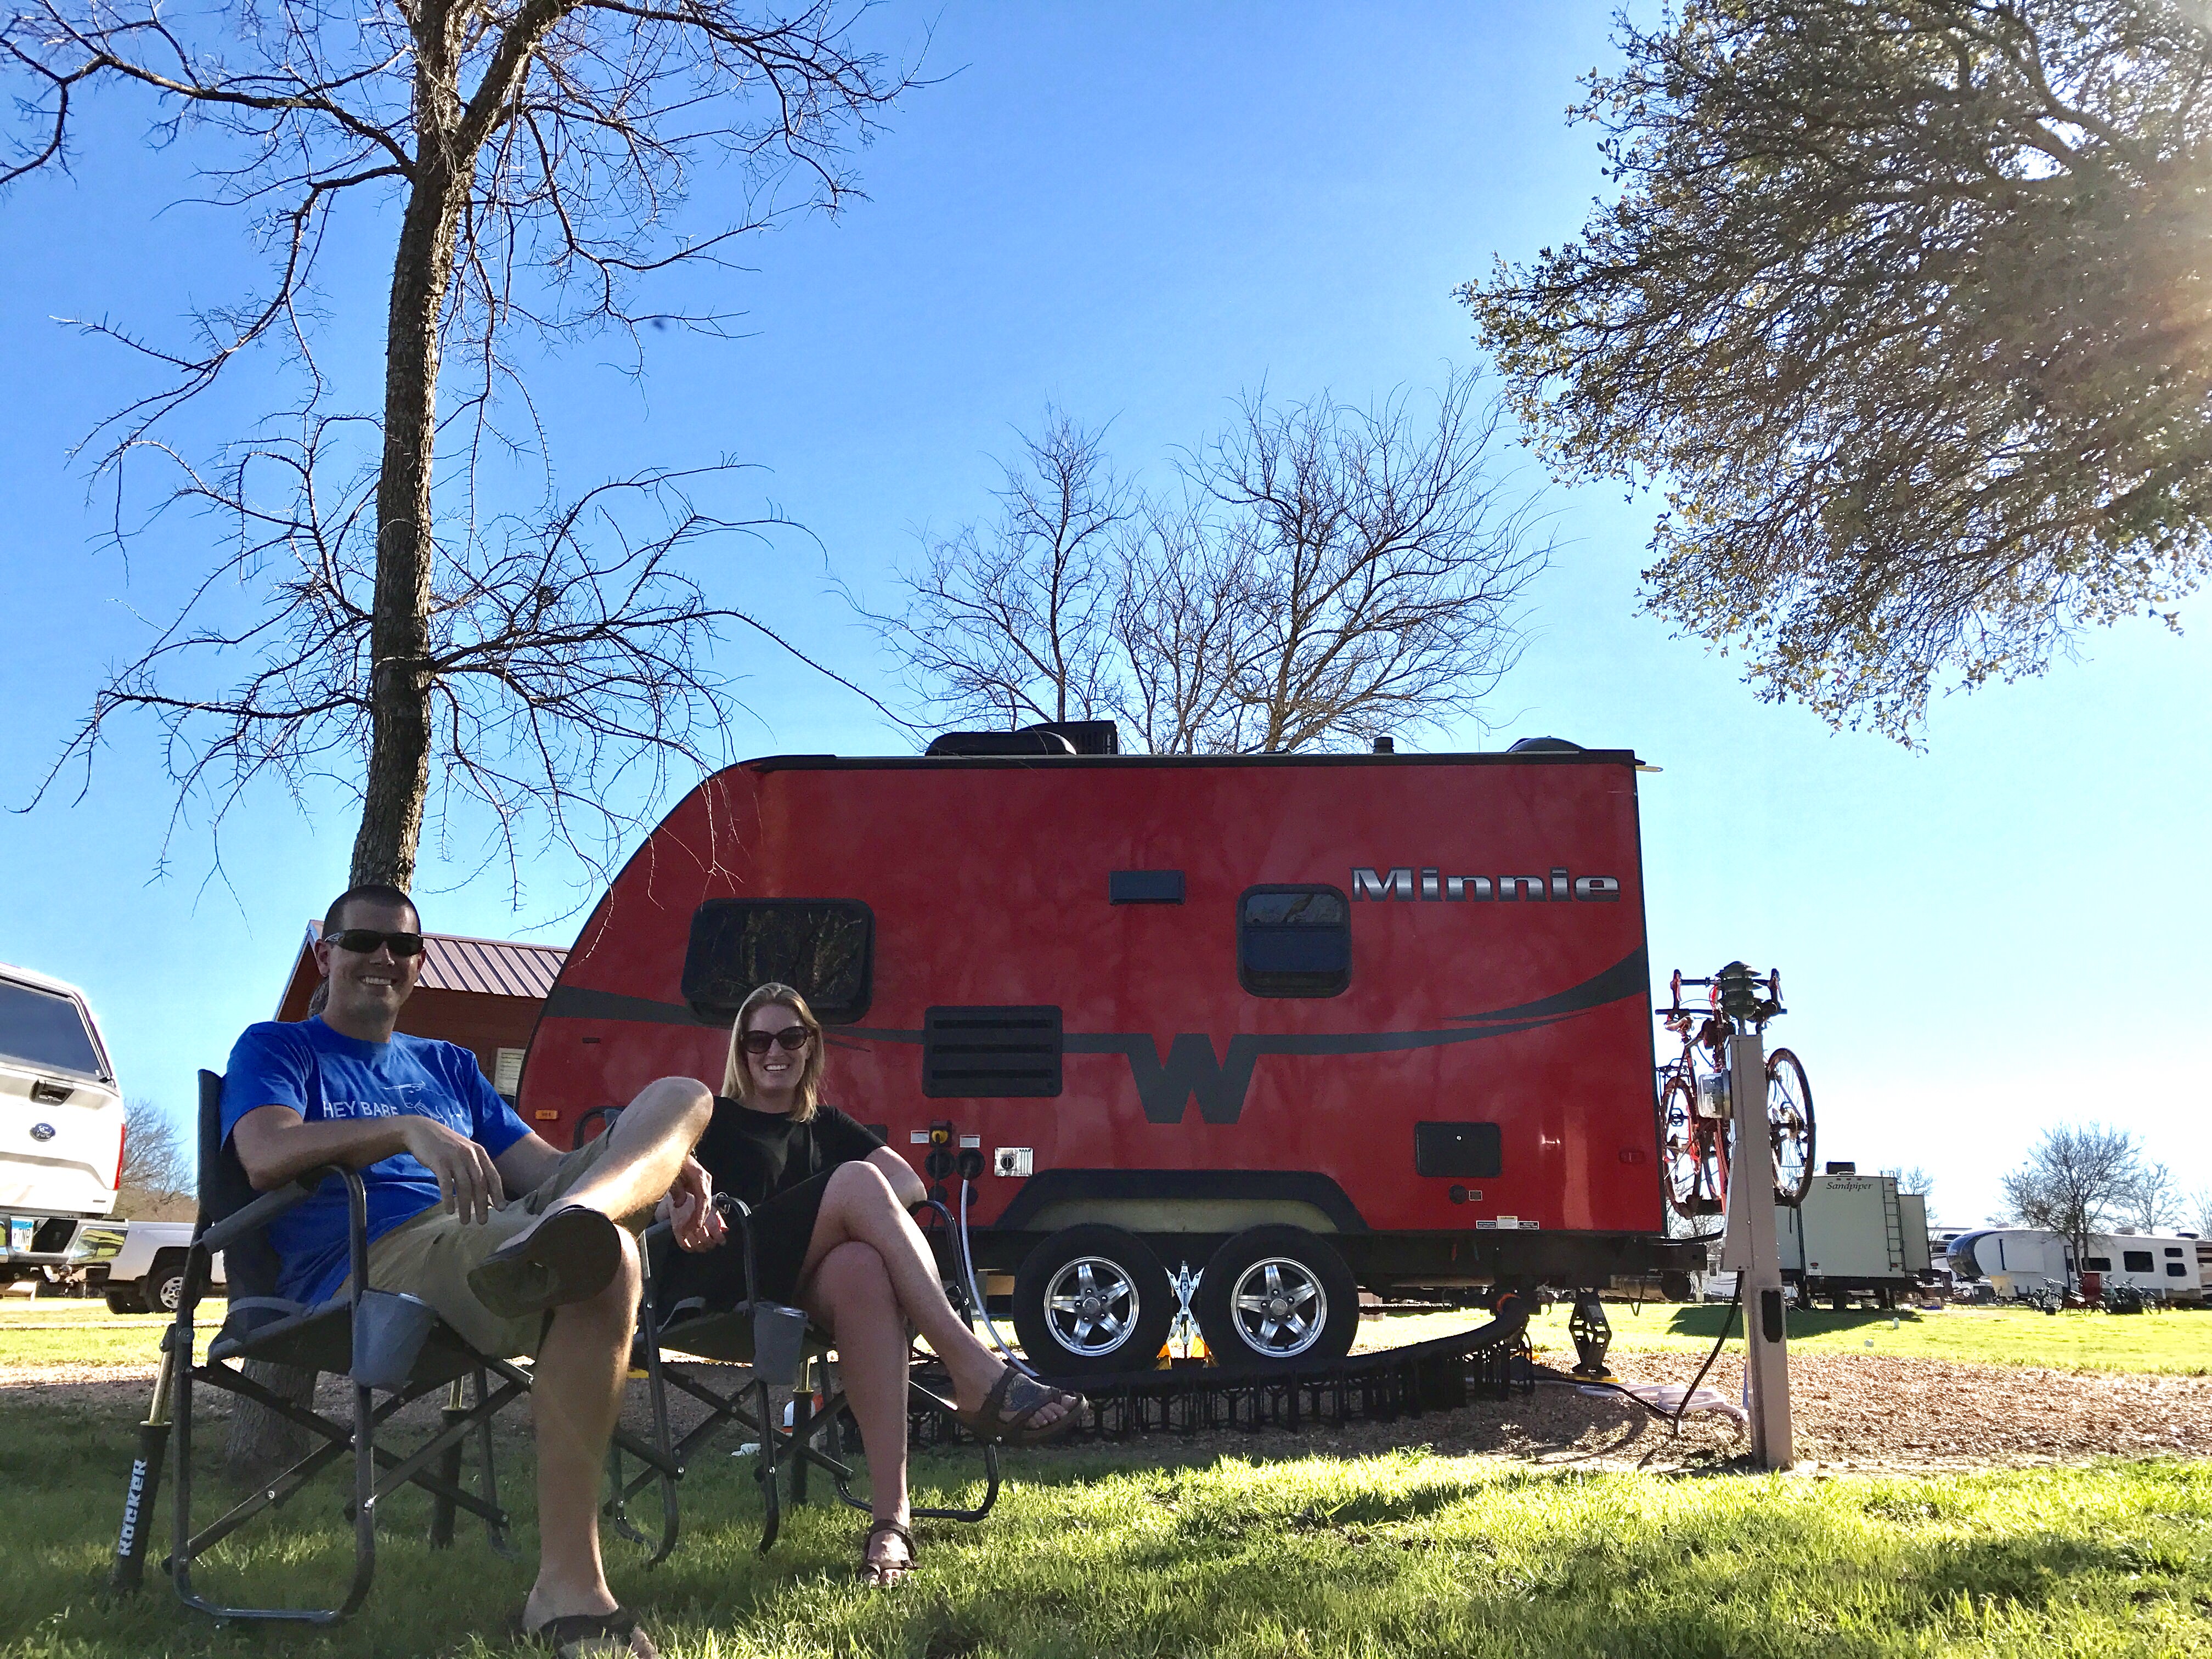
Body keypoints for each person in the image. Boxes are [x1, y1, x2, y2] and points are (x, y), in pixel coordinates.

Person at [222, 883, 720, 1659]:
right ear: (326, 954)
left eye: (403, 946)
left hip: (504, 1229)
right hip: (377, 1257)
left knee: (683, 1096)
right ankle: (569, 1590)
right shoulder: (279, 1049)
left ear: (419, 963)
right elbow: (263, 1153)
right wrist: (405, 1129)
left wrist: (650, 1166)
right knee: (610, 1258)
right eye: (362, 941)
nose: (385, 957)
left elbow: (540, 1169)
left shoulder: (449, 1065)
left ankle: (580, 1222)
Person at [659, 982, 1084, 1586]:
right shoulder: (714, 1119)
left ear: (811, 1045)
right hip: (725, 1275)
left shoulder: (825, 1125)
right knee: (856, 1182)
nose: (774, 1052)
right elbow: (659, 1179)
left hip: (797, 1288)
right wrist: (677, 1202)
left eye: (790, 1037)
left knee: (861, 1265)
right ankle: (973, 1369)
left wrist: (833, 1213)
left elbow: (909, 1184)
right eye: (758, 1041)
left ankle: (891, 1522)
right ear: (741, 1051)